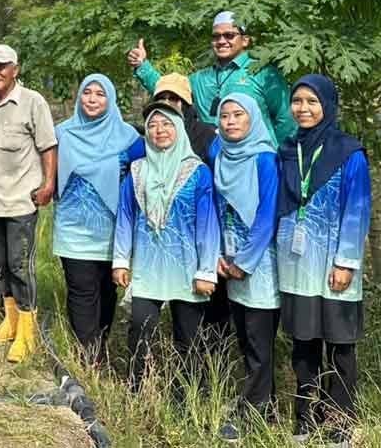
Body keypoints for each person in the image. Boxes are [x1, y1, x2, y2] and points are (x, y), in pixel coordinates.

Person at [276, 75, 369, 448]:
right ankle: (305, 417)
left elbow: (357, 209)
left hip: (334, 267)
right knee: (303, 345)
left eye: (312, 101)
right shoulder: (287, 150)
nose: (303, 108)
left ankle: (341, 422)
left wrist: (346, 262)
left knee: (340, 347)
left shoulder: (349, 153)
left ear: (328, 105)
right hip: (296, 266)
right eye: (297, 101)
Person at [112, 102, 219, 391]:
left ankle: (187, 396)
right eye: (152, 125)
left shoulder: (197, 172)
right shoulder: (137, 171)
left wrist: (207, 270)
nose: (159, 130)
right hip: (147, 266)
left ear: (179, 129)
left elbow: (207, 224)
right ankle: (137, 390)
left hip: (186, 267)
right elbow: (126, 215)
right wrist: (120, 260)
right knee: (140, 327)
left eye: (167, 124)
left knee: (189, 336)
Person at [0, 44, 57, 364]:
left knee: (20, 266)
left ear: (15, 70)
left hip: (19, 199)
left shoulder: (32, 102)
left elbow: (48, 145)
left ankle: (28, 333)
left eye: (1, 67)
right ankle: (10, 321)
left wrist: (48, 184)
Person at [53, 74, 143, 366]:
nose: (92, 99)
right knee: (81, 291)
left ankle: (99, 345)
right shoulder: (61, 134)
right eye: (87, 92)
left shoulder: (129, 138)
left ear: (111, 99)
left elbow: (143, 176)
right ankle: (89, 358)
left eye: (100, 94)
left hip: (112, 231)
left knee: (106, 292)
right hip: (72, 228)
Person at [211, 94, 280, 441]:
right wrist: (218, 255)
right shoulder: (220, 155)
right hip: (229, 263)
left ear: (252, 119)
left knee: (258, 342)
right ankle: (265, 407)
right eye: (225, 116)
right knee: (244, 338)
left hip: (259, 266)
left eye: (238, 115)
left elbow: (268, 214)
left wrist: (245, 262)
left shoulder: (265, 158)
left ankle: (253, 415)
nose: (231, 122)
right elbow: (216, 209)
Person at [127, 11, 296, 145]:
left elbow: (286, 119)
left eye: (229, 35)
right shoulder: (200, 78)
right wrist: (142, 66)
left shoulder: (263, 73)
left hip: (257, 158)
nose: (221, 41)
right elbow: (169, 90)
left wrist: (281, 154)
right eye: (216, 36)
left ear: (245, 40)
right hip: (213, 159)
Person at [150, 73, 230, 342]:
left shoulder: (208, 136)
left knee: (215, 301)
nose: (168, 103)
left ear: (186, 103)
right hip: (175, 234)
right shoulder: (154, 137)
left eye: (174, 98)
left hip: (210, 226)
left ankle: (216, 357)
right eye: (162, 98)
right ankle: (186, 357)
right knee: (183, 302)